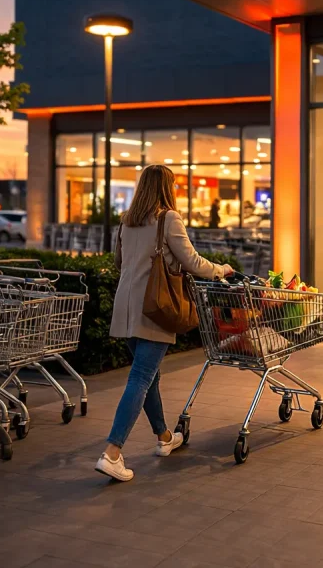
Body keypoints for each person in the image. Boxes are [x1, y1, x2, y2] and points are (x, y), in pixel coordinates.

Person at [96, 165, 233, 482]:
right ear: (166, 188)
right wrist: (221, 270)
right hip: (155, 308)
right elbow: (193, 262)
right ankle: (112, 453)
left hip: (126, 308)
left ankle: (164, 437)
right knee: (141, 378)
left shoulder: (127, 220)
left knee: (149, 376)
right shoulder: (168, 218)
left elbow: (119, 262)